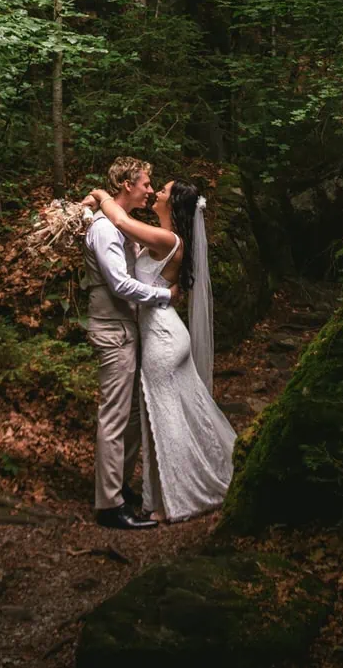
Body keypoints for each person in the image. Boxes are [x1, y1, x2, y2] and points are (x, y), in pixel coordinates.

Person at [84, 178, 236, 521]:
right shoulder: (160, 235)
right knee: (163, 416)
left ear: (174, 205)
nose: (156, 193)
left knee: (162, 419)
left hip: (162, 338)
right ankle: (163, 495)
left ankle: (172, 500)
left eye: (163, 191)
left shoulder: (167, 238)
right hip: (161, 332)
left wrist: (102, 195)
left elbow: (120, 221)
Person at [81, 156, 170, 530]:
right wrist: (163, 297)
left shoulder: (124, 225)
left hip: (126, 326)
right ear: (126, 185)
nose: (150, 190)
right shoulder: (105, 228)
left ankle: (120, 486)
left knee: (132, 414)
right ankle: (108, 505)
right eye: (146, 183)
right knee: (115, 416)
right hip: (112, 329)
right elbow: (118, 283)